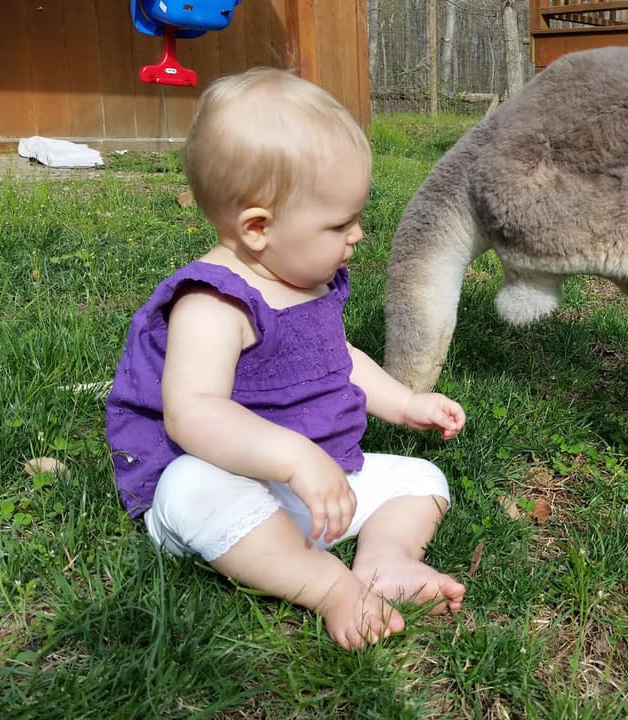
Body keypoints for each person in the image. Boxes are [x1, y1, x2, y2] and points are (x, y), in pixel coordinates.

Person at [105, 67, 466, 650]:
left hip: (316, 485)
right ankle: (329, 588)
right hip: (232, 494)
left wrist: (404, 403)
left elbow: (337, 357)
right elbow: (193, 413)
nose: (358, 235)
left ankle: (385, 560)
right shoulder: (213, 302)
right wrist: (294, 457)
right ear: (258, 228)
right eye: (339, 223)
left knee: (421, 478)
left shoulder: (309, 282)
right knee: (188, 486)